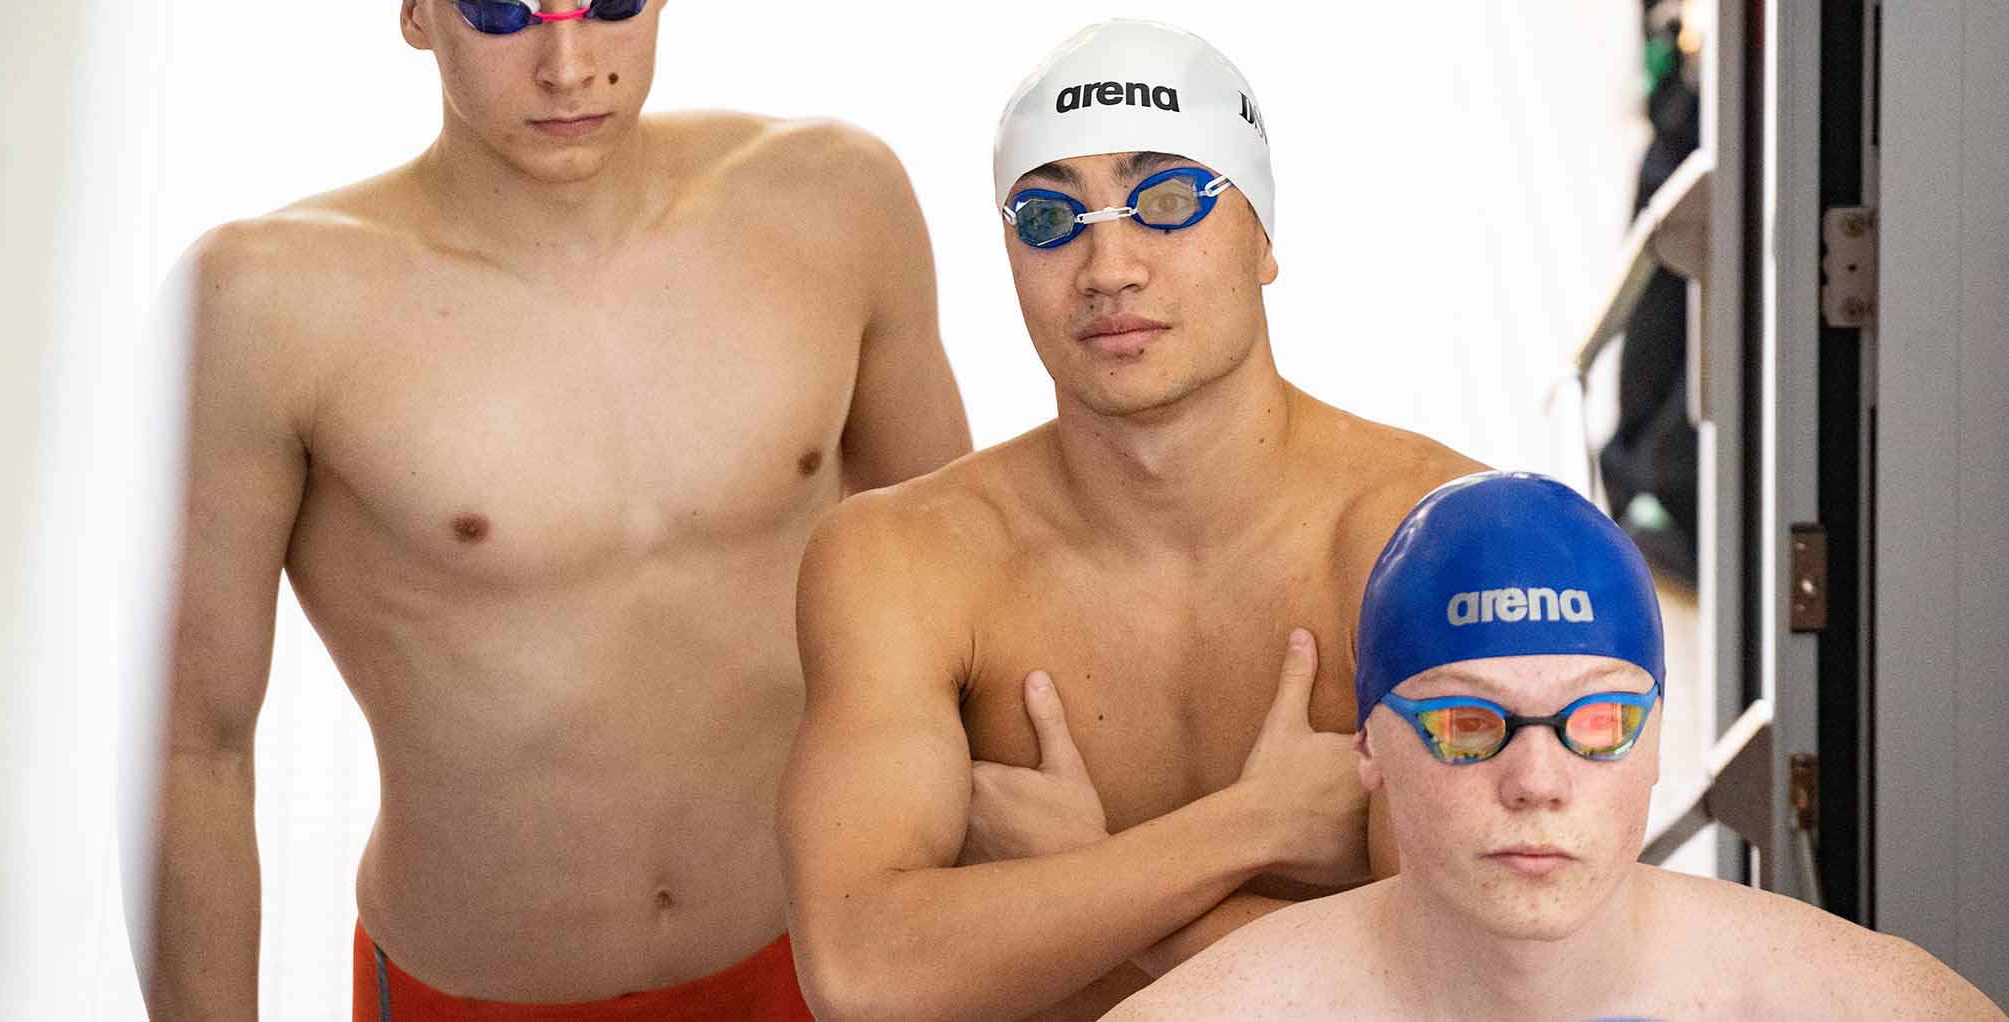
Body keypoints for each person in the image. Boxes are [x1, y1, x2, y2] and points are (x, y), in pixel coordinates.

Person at [130, 0, 970, 1018]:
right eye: (501, 13)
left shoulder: (837, 201)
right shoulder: (263, 302)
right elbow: (193, 748)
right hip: (474, 994)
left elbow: (960, 613)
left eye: (609, 5)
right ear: (415, 13)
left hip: (831, 959)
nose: (568, 67)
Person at [778, 19, 1481, 1022]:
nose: (1108, 265)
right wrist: (1254, 826)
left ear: (1262, 235)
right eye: (1049, 217)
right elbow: (862, 971)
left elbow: (1456, 989)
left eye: (1167, 200)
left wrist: (1083, 875)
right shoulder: (903, 558)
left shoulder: (1430, 540)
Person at [1103, 472, 2005, 1021]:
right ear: (1367, 744)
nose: (1536, 782)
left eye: (1597, 722)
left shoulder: (1863, 1006)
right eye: (1467, 725)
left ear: (1656, 738)